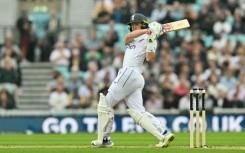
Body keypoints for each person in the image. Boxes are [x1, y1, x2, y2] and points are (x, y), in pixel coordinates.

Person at [91, 13, 174, 148]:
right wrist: (149, 31)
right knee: (138, 112)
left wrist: (151, 40)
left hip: (131, 72)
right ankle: (164, 134)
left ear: (143, 23)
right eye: (133, 25)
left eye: (136, 24)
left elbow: (150, 58)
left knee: (105, 105)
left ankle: (105, 139)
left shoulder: (150, 38)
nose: (134, 27)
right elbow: (127, 37)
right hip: (134, 77)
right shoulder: (133, 37)